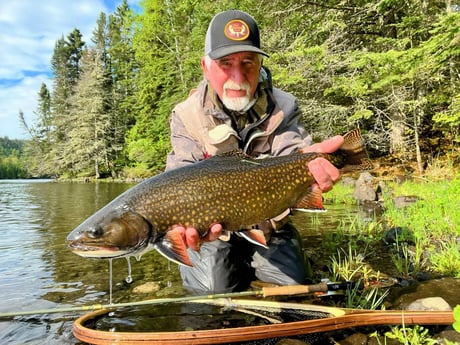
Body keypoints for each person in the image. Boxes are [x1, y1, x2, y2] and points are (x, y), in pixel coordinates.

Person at [166, 9, 343, 293]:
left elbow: (292, 152)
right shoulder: (185, 115)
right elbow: (178, 176)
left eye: (248, 62)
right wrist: (181, 227)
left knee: (294, 289)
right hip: (213, 233)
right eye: (225, 63)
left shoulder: (283, 106)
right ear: (205, 65)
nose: (238, 76)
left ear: (259, 63)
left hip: (269, 221)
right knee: (213, 294)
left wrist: (313, 162)